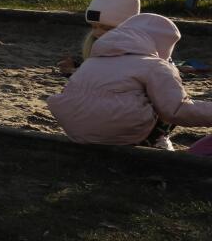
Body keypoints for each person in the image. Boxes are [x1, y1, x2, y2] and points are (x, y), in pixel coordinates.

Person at [48, 13, 212, 153]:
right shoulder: (156, 66)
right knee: (166, 98)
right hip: (119, 131)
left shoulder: (94, 60)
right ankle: (155, 143)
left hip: (77, 128)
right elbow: (177, 110)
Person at [58, 0, 139, 76]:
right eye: (94, 27)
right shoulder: (96, 47)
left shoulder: (133, 55)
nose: (97, 32)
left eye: (107, 28)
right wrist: (75, 68)